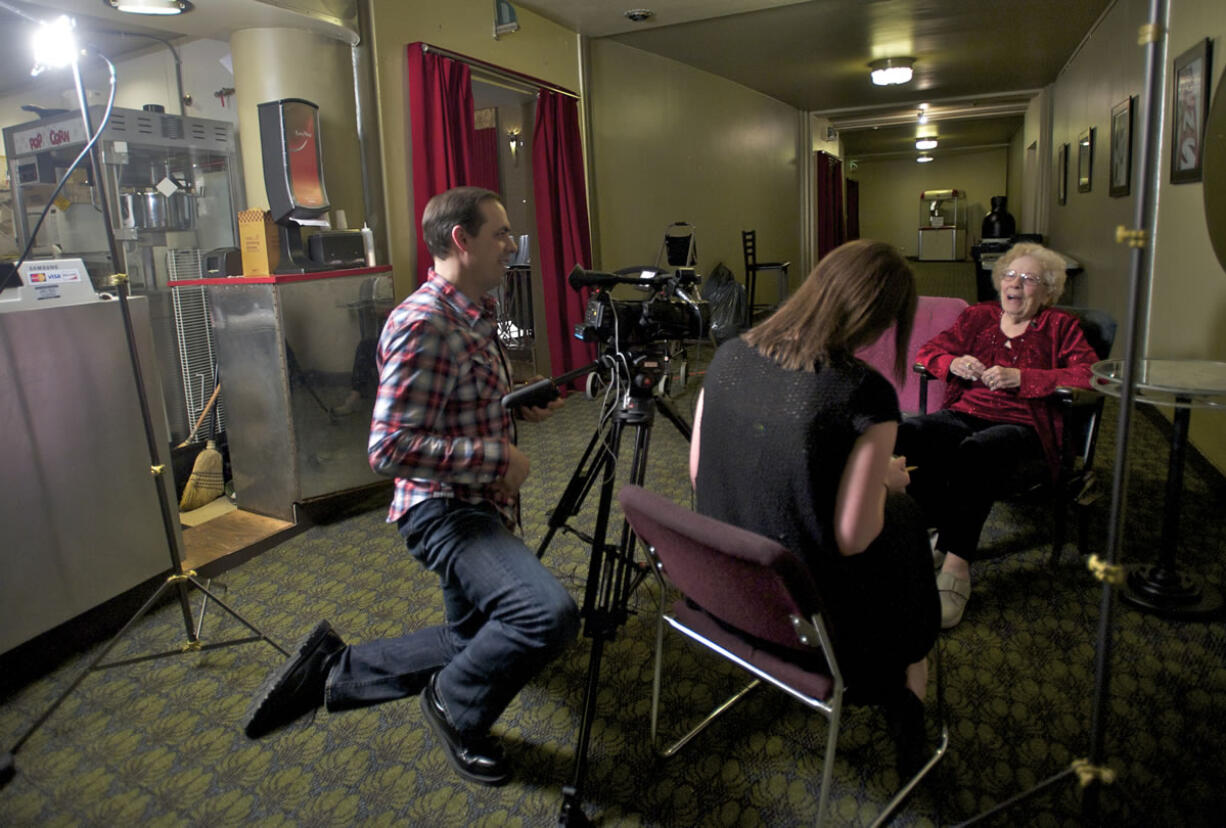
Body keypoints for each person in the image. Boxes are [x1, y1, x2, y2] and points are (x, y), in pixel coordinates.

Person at [242, 187, 579, 787]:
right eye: (499, 233)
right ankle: (454, 706)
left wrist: (516, 403)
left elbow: (456, 402)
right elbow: (388, 448)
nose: (511, 244)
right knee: (544, 616)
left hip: (479, 503)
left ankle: (330, 672)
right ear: (461, 239)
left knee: (468, 639)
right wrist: (493, 457)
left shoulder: (473, 312)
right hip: (445, 511)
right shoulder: (423, 322)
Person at [690, 239, 940, 773]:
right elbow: (854, 537)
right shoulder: (863, 392)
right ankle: (906, 700)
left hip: (724, 596)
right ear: (879, 318)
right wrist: (885, 482)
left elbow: (697, 472)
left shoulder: (728, 354)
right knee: (907, 524)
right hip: (811, 621)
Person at [896, 242, 1099, 629]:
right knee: (910, 433)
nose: (1016, 284)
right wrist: (953, 361)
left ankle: (956, 568)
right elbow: (928, 352)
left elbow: (1089, 375)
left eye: (1029, 279)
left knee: (976, 452)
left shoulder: (1061, 327)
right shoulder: (978, 317)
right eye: (1010, 275)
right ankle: (936, 531)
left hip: (1026, 426)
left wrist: (1024, 378)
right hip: (966, 412)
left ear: (1049, 290)